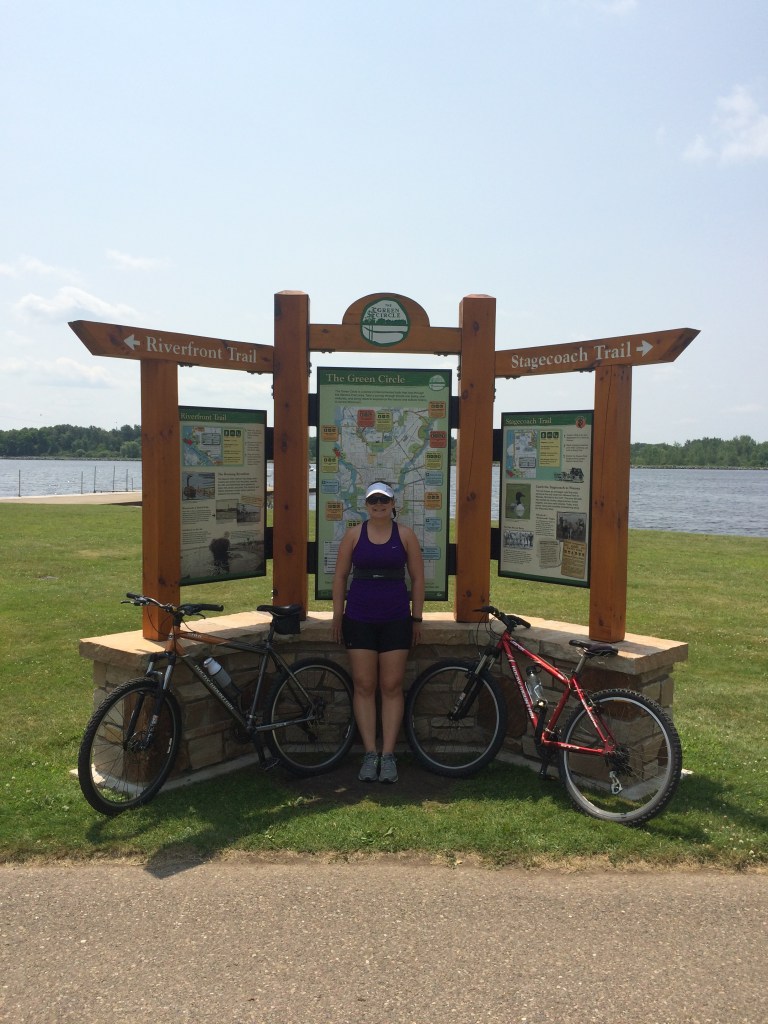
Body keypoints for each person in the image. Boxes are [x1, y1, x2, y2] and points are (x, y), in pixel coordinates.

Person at [332, 481, 425, 784]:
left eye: (384, 500)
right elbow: (340, 577)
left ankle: (388, 755)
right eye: (373, 501)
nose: (379, 505)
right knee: (363, 685)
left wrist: (417, 618)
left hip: (396, 619)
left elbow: (418, 579)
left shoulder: (405, 536)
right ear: (366, 505)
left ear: (393, 503)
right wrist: (337, 616)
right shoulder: (353, 535)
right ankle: (370, 752)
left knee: (392, 685)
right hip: (359, 618)